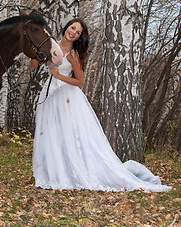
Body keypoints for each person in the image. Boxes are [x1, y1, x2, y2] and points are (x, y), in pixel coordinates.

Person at [31, 19, 171, 192]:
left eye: (78, 32)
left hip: (67, 96)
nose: (73, 32)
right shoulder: (52, 45)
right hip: (49, 95)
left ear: (79, 37)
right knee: (51, 133)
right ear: (67, 27)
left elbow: (80, 81)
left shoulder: (73, 54)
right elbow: (34, 65)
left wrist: (59, 76)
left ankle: (73, 172)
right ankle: (54, 172)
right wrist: (35, 53)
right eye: (73, 28)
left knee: (70, 135)